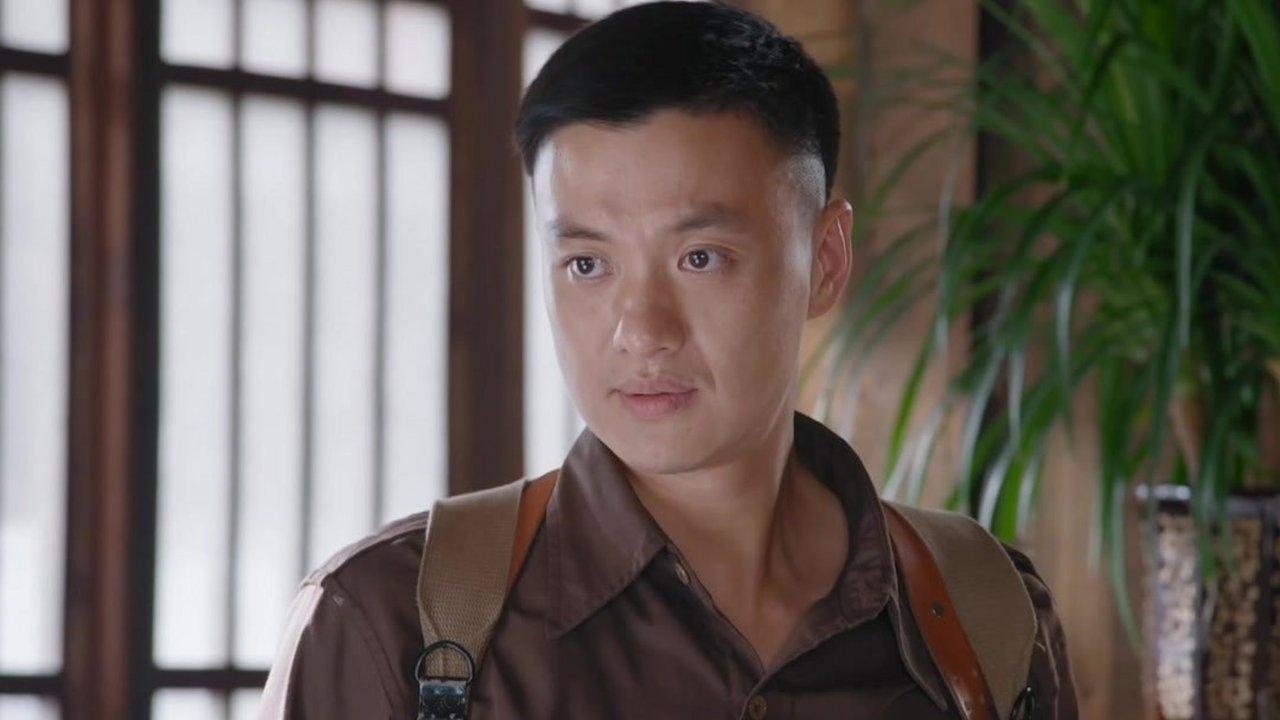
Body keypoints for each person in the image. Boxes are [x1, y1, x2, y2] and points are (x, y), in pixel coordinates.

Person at [258, 2, 1078, 718]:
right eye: (588, 264)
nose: (640, 331)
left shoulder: (985, 615)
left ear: (826, 260)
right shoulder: (391, 624)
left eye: (700, 258)